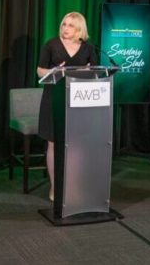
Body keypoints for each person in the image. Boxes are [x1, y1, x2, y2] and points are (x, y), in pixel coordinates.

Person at [36, 12, 98, 201]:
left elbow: (96, 73)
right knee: (53, 143)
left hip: (79, 101)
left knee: (77, 145)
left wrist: (87, 71)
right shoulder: (51, 44)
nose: (65, 28)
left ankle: (74, 185)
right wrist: (53, 71)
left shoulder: (89, 48)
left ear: (79, 28)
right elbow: (39, 70)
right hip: (53, 99)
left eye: (70, 25)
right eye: (64, 24)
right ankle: (55, 187)